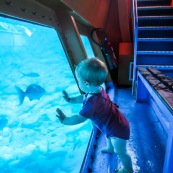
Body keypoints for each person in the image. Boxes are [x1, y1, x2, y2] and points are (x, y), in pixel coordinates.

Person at [56, 58, 133, 173]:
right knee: (108, 135)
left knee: (121, 152)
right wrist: (70, 99)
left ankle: (128, 169)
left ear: (86, 83)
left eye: (78, 81)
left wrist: (65, 120)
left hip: (119, 129)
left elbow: (79, 118)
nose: (78, 83)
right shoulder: (98, 90)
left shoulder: (91, 104)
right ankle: (110, 148)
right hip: (115, 123)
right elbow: (83, 97)